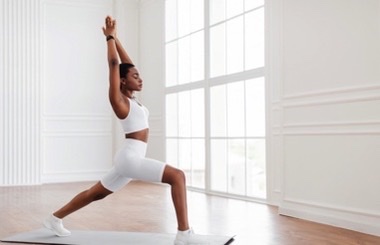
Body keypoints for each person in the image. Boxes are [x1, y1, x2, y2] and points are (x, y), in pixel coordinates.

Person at [43, 16, 209, 245]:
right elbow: (114, 65)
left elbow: (125, 64)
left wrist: (116, 38)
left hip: (129, 158)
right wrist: (109, 38)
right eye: (135, 77)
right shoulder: (118, 100)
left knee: (95, 194)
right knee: (177, 176)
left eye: (139, 75)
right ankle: (184, 234)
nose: (140, 79)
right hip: (130, 158)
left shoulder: (133, 98)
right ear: (121, 82)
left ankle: (54, 219)